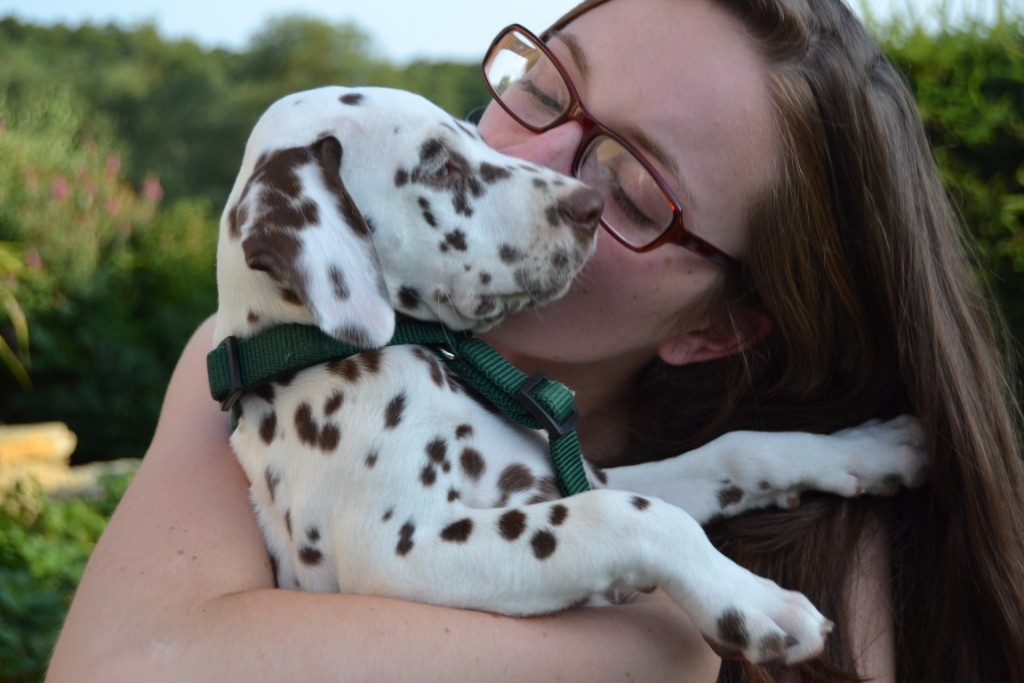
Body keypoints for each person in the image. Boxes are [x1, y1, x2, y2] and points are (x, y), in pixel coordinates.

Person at [46, 0, 1024, 680]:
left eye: (633, 191)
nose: (526, 166)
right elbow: (124, 670)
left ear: (717, 325)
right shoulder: (272, 366)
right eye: (544, 89)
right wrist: (650, 640)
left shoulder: (852, 578)